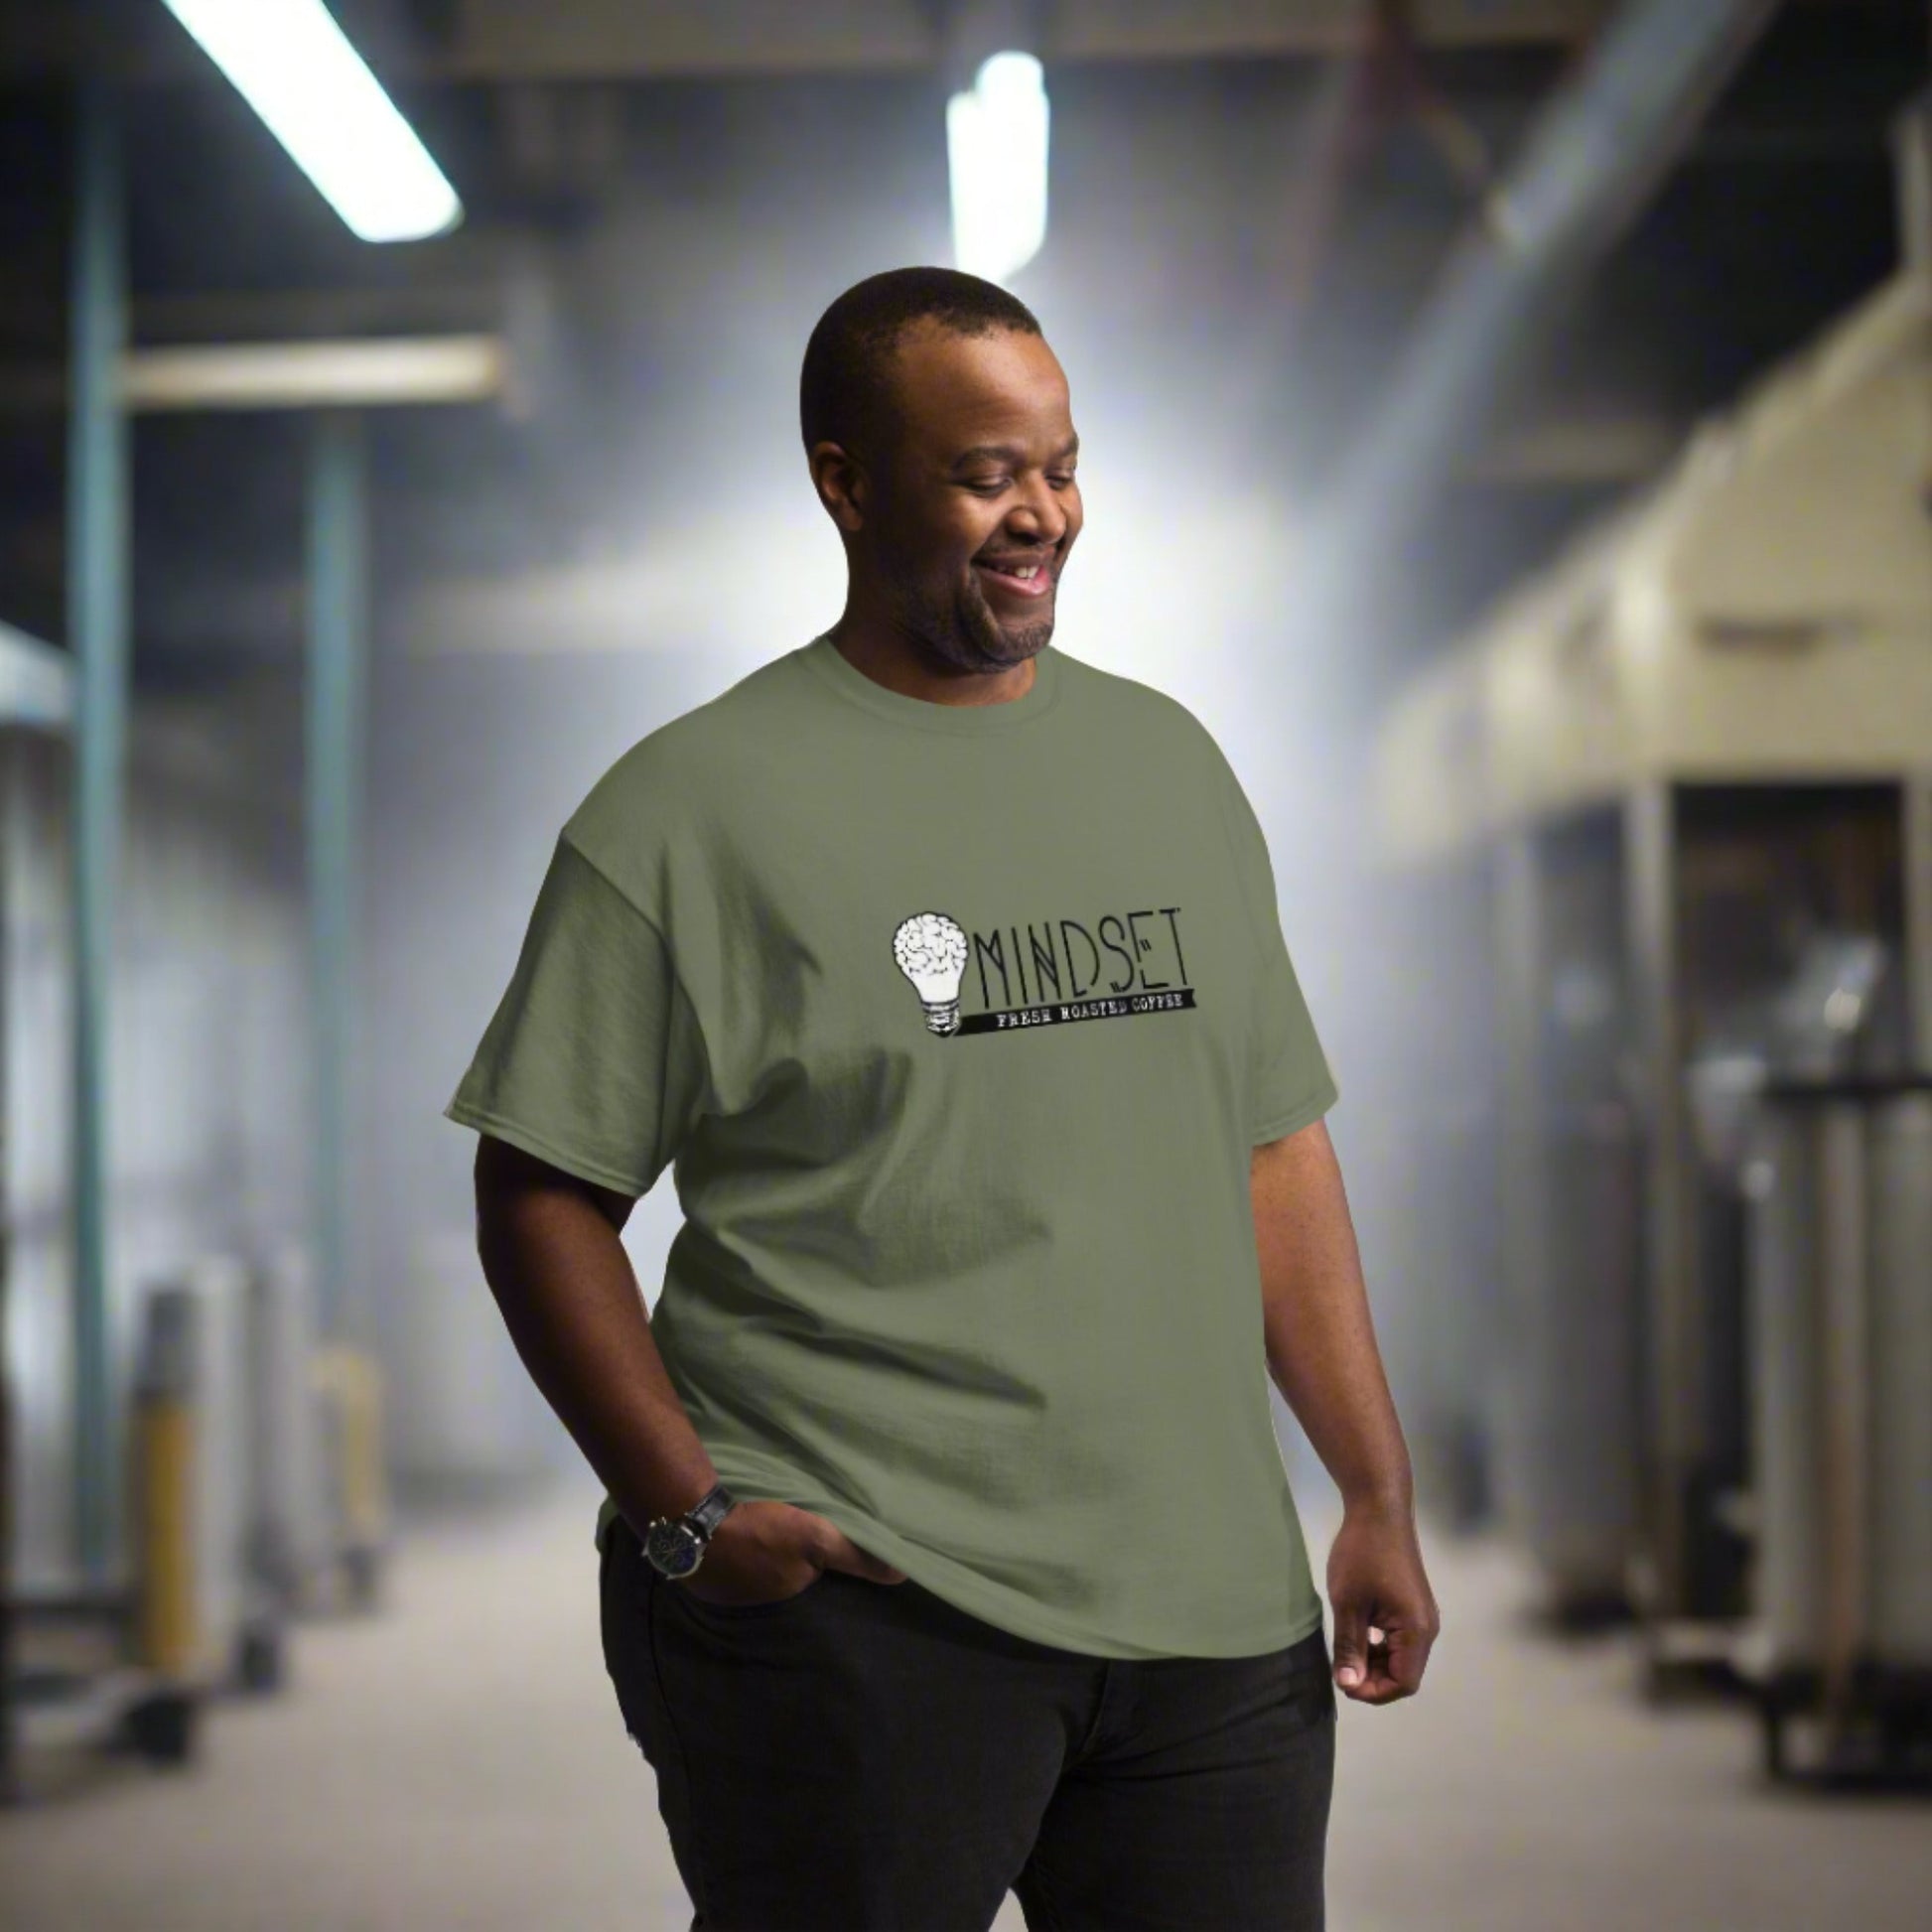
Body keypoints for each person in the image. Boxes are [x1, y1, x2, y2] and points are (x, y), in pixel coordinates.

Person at [449, 265, 1439, 1932]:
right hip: (864, 1615)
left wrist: (1374, 1491)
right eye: (987, 472)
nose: (1038, 511)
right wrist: (687, 1516)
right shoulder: (686, 811)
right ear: (844, 481)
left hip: (1207, 1621)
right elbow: (542, 1190)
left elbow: (1269, 1146)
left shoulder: (1171, 768)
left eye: (1058, 465)